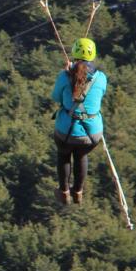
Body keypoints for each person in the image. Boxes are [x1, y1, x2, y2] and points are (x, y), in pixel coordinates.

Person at [51, 38, 108, 205]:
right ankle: (78, 191)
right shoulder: (101, 78)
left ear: (74, 54)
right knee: (81, 155)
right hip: (92, 133)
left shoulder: (64, 76)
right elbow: (100, 94)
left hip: (66, 131)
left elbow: (55, 97)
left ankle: (64, 192)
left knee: (64, 155)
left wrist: (67, 74)